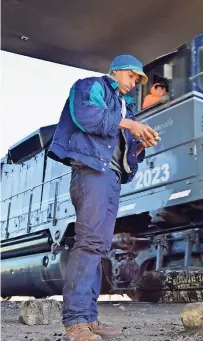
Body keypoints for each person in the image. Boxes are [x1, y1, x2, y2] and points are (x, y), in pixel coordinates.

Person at [48, 54, 160, 341]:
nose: (135, 84)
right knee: (89, 244)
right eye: (133, 77)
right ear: (119, 71)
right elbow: (87, 116)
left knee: (98, 247)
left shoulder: (126, 106)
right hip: (90, 173)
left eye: (138, 81)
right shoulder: (91, 86)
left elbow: (124, 151)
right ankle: (75, 323)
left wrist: (138, 144)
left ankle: (89, 318)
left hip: (111, 178)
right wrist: (129, 125)